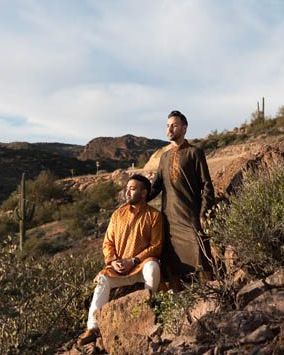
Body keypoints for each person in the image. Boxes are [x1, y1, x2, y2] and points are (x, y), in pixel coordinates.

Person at [78, 174, 163, 346]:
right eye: (127, 189)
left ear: (144, 193)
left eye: (132, 189)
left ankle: (148, 310)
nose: (127, 193)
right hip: (118, 267)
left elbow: (157, 246)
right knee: (102, 280)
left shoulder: (154, 216)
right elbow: (107, 243)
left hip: (140, 266)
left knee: (153, 268)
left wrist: (134, 261)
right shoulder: (117, 215)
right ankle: (92, 328)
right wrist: (113, 261)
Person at [148, 110, 216, 284]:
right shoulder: (164, 157)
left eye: (174, 125)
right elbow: (156, 186)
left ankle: (209, 294)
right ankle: (181, 300)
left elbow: (207, 185)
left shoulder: (195, 152)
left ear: (184, 128)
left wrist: (205, 213)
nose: (169, 129)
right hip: (169, 219)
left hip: (190, 216)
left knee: (200, 253)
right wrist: (137, 200)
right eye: (168, 125)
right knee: (173, 261)